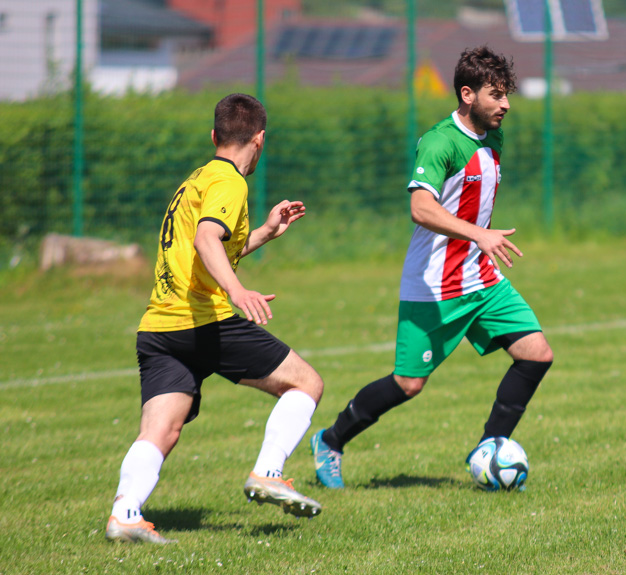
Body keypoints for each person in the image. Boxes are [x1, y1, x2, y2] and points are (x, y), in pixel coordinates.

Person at [310, 46, 553, 489]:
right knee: (407, 384)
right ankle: (330, 440)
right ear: (466, 94)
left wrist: (479, 240)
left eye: (507, 95)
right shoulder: (441, 141)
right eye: (496, 95)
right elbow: (421, 208)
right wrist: (478, 234)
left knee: (536, 355)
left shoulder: (493, 135)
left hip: (482, 278)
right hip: (435, 286)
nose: (506, 105)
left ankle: (490, 447)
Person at [106, 93, 325, 544]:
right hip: (204, 321)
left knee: (161, 429)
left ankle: (125, 514)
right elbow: (208, 239)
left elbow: (207, 248)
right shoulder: (229, 182)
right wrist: (236, 290)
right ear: (260, 140)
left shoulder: (197, 179)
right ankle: (268, 472)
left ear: (214, 135)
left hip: (159, 327)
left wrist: (264, 232)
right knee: (306, 384)